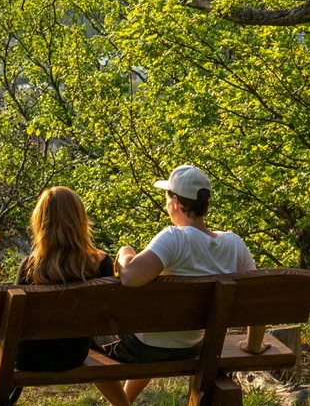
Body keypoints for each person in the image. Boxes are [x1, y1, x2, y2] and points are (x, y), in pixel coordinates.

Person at [92, 165, 270, 405]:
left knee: (87, 333)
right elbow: (258, 298)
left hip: (142, 348)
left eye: (167, 198)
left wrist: (125, 252)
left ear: (175, 202)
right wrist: (253, 346)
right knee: (156, 332)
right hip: (191, 346)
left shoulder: (174, 238)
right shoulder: (234, 244)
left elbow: (130, 276)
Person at [12, 186, 131, 406]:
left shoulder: (28, 268)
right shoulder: (100, 263)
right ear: (80, 220)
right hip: (73, 355)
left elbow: (15, 325)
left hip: (27, 359)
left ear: (40, 223)